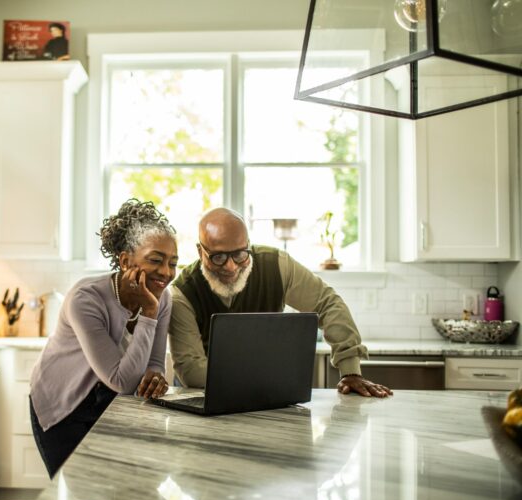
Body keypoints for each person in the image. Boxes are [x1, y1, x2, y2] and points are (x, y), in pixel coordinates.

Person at [169, 207, 392, 398]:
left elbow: (327, 303)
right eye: (218, 257)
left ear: (248, 244)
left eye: (240, 254)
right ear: (200, 251)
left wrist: (350, 370)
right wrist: (270, 377)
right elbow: (191, 370)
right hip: (202, 396)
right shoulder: (182, 293)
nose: (231, 267)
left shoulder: (277, 266)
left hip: (267, 393)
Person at [29, 199, 178, 477]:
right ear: (125, 261)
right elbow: (123, 381)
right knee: (75, 498)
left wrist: (155, 377)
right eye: (156, 260)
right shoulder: (85, 299)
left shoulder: (163, 298)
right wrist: (148, 312)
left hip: (111, 405)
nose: (166, 273)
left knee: (121, 491)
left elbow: (154, 365)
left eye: (173, 263)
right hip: (63, 405)